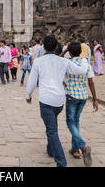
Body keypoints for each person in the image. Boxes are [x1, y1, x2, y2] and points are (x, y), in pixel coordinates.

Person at [26, 35, 90, 167]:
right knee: (52, 124)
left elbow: (32, 81)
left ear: (43, 46)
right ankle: (50, 149)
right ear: (56, 47)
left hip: (46, 99)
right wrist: (83, 60)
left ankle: (61, 162)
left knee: (51, 130)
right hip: (59, 100)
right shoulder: (64, 61)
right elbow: (81, 71)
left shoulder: (38, 61)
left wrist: (28, 95)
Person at [64, 42, 98, 166]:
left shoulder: (67, 63)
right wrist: (95, 99)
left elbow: (58, 60)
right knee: (76, 121)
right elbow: (91, 82)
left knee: (70, 122)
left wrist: (65, 51)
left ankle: (82, 146)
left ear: (70, 52)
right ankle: (75, 150)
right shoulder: (85, 63)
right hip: (83, 96)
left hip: (72, 96)